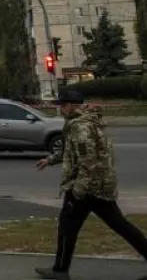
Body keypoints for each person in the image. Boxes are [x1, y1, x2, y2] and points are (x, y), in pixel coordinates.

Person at [34, 89, 147, 280]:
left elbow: (87, 161)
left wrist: (78, 191)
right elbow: (70, 151)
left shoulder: (81, 127)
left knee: (67, 226)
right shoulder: (83, 121)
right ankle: (59, 268)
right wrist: (50, 160)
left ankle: (60, 270)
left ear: (70, 106)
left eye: (62, 106)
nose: (60, 109)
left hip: (87, 187)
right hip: (100, 185)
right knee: (120, 225)